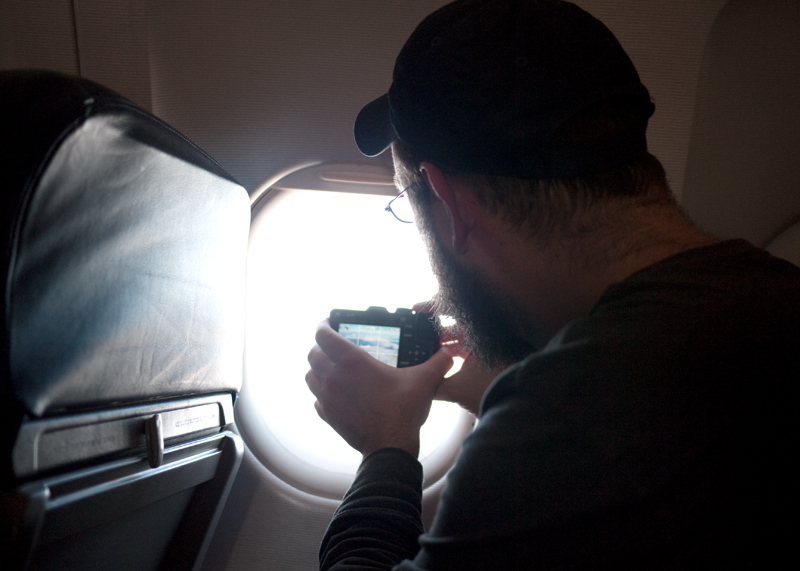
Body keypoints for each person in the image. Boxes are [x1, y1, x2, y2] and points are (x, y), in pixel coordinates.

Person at [305, 0, 800, 569]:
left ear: (449, 204)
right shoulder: (772, 298)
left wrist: (386, 446)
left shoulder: (571, 422)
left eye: (407, 208)